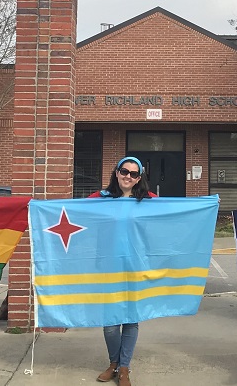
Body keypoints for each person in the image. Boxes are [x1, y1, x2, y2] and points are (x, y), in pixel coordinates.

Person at [89, 156, 156, 386]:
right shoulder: (100, 199)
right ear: (116, 172)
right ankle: (114, 363)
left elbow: (176, 210)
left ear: (139, 178)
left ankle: (124, 367)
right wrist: (39, 208)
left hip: (136, 266)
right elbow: (72, 210)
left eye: (134, 174)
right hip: (108, 266)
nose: (128, 176)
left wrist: (208, 204)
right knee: (110, 323)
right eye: (124, 171)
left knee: (130, 320)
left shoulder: (148, 201)